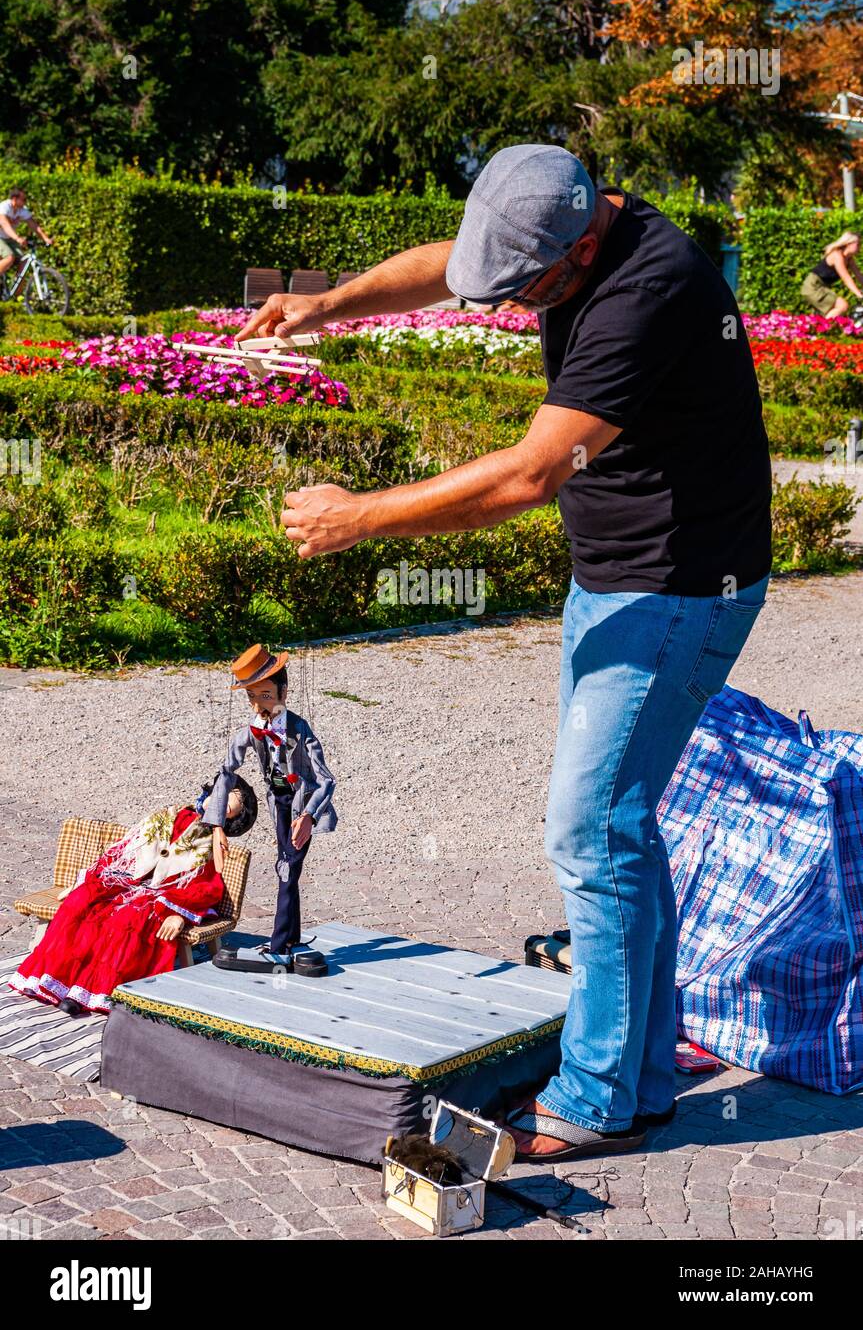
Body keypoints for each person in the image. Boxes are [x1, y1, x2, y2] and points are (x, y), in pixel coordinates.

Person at [240, 144, 771, 1160]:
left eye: (524, 285)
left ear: (580, 245)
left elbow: (528, 476)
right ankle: (639, 1074)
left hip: (675, 588)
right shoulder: (561, 220)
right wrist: (330, 305)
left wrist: (360, 517)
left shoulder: (646, 293)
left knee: (587, 828)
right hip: (620, 575)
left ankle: (596, 1098)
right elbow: (449, 261)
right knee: (618, 822)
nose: (504, 302)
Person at [10, 781, 256, 1015]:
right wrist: (87, 880)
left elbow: (206, 885)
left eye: (227, 807)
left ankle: (94, 991)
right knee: (83, 902)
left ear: (230, 819)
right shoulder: (168, 815)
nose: (218, 803)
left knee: (129, 918)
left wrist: (178, 913)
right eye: (219, 795)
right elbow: (128, 846)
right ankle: (57, 980)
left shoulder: (213, 844)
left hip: (161, 893)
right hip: (126, 878)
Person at [201, 643, 337, 974]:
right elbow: (226, 772)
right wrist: (217, 825)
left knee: (287, 869)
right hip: (278, 805)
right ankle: (290, 940)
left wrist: (309, 815)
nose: (259, 704)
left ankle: (278, 948)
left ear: (283, 691)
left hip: (301, 805)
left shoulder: (300, 730)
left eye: (265, 695)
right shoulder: (251, 732)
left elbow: (326, 780)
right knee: (286, 867)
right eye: (252, 697)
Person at [800, 231, 863, 319]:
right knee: (842, 305)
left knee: (835, 310)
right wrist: (858, 294)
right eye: (858, 244)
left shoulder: (849, 259)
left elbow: (859, 275)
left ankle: (820, 327)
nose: (860, 247)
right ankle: (824, 328)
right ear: (849, 243)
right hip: (813, 286)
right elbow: (846, 277)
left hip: (822, 287)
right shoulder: (837, 255)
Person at [0, 188, 53, 291]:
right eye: (23, 199)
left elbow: (33, 225)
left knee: (23, 262)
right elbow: (5, 225)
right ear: (15, 199)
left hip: (9, 238)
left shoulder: (21, 210)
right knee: (9, 257)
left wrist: (46, 238)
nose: (25, 201)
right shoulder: (4, 207)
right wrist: (17, 238)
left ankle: (16, 294)